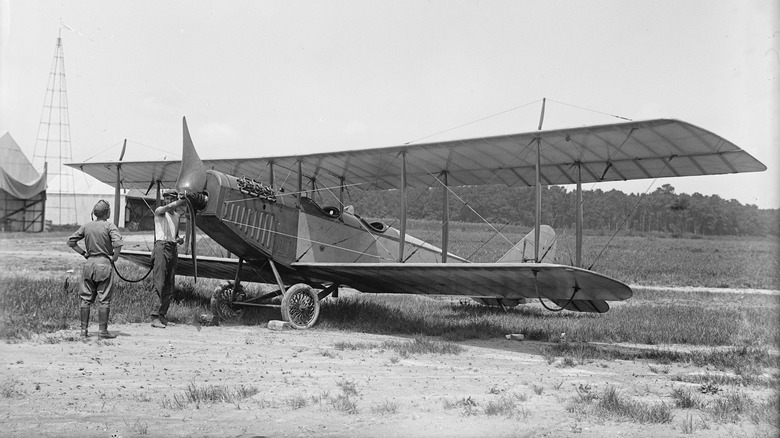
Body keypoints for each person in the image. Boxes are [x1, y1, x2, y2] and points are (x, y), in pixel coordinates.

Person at [67, 200, 124, 339]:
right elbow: (117, 244)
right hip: (104, 263)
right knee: (104, 299)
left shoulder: (86, 226)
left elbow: (71, 242)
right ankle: (103, 331)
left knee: (85, 299)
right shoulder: (110, 226)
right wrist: (114, 257)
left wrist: (84, 254)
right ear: (107, 213)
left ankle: (83, 331)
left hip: (89, 264)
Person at [150, 190, 187, 328]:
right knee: (159, 282)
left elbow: (175, 235)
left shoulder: (176, 216)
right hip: (161, 247)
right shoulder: (160, 211)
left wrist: (178, 240)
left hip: (172, 248)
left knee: (169, 283)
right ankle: (154, 316)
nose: (168, 201)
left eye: (171, 199)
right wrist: (185, 200)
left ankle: (162, 315)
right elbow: (168, 208)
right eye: (166, 199)